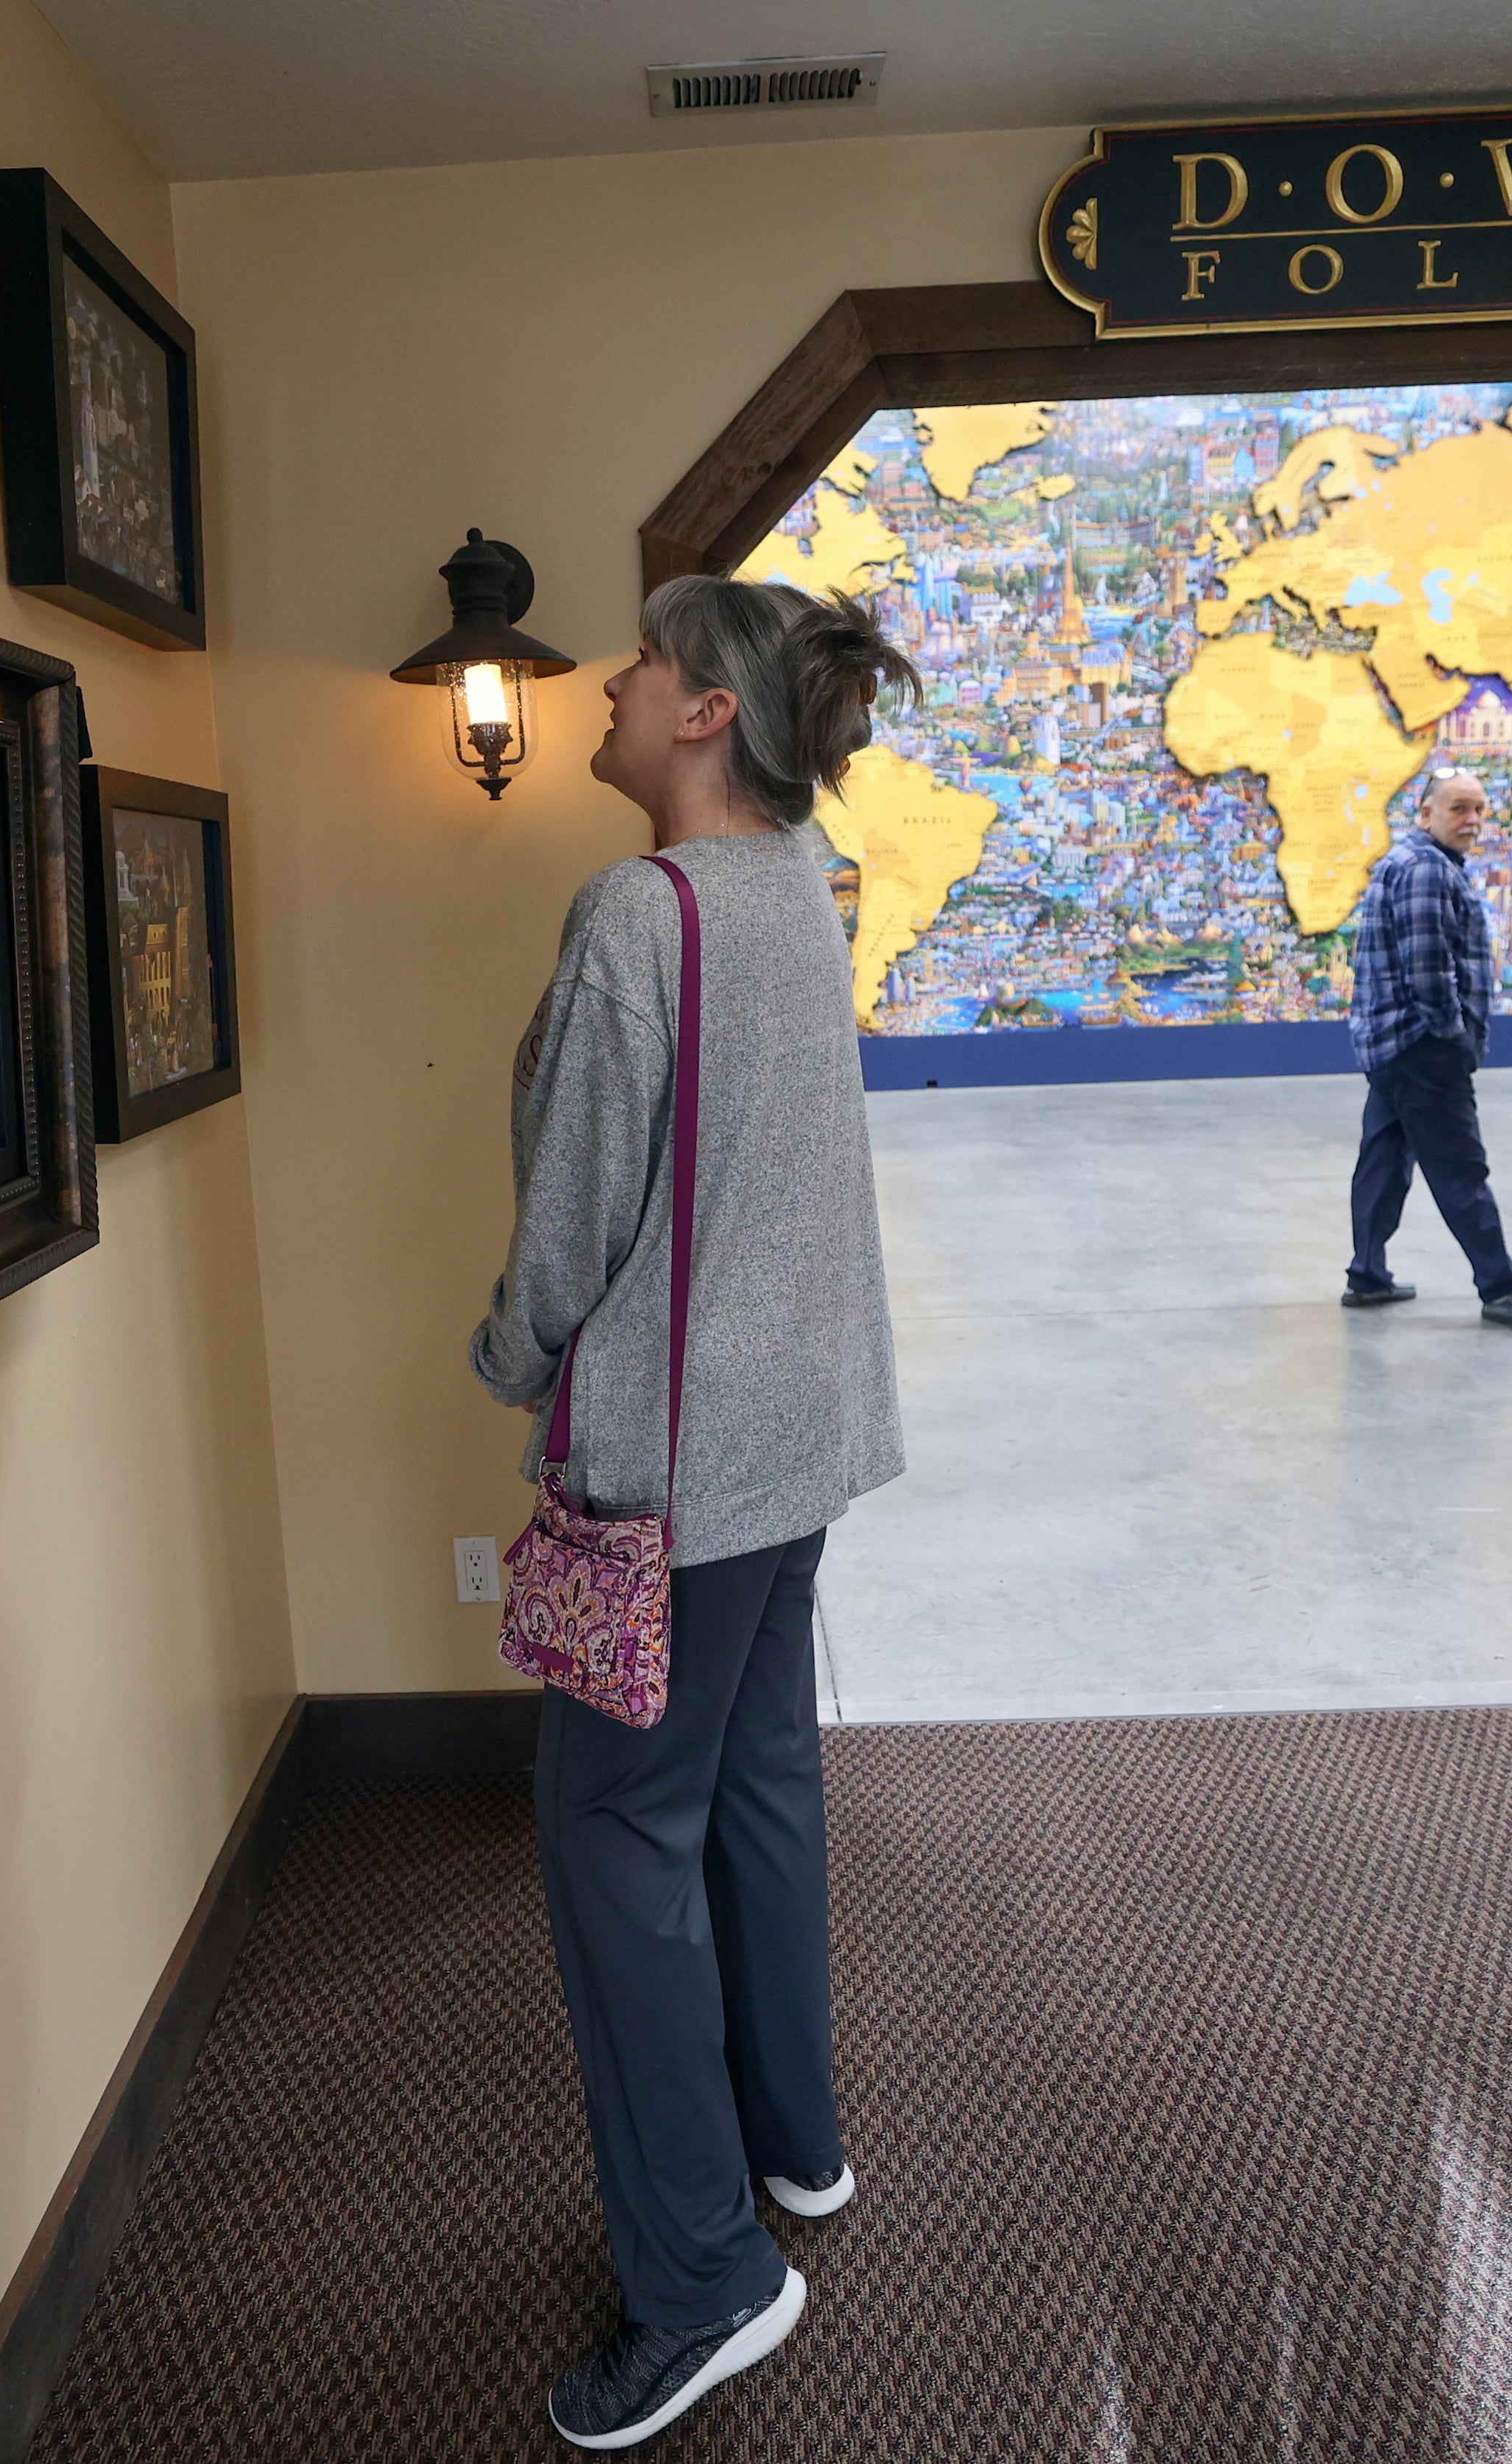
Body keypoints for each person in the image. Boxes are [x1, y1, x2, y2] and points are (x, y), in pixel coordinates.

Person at [469, 575, 912, 2450]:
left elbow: (572, 1224)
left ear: (707, 713)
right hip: (800, 1433)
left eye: (642, 662)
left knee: (613, 1842)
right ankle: (791, 2145)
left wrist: (509, 1358)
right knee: (754, 1779)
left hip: (679, 1463)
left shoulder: (637, 914)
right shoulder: (803, 895)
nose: (611, 683)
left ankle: (706, 2279)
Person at [1343, 767, 1512, 1326]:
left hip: (1390, 1044)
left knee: (1384, 1162)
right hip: (1423, 1047)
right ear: (1426, 814)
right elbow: (1428, 971)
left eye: (1479, 810)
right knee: (1460, 1167)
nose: (1472, 821)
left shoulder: (1407, 862)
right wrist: (1454, 1036)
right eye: (1458, 809)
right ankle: (1502, 1288)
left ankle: (1367, 1276)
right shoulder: (1425, 871)